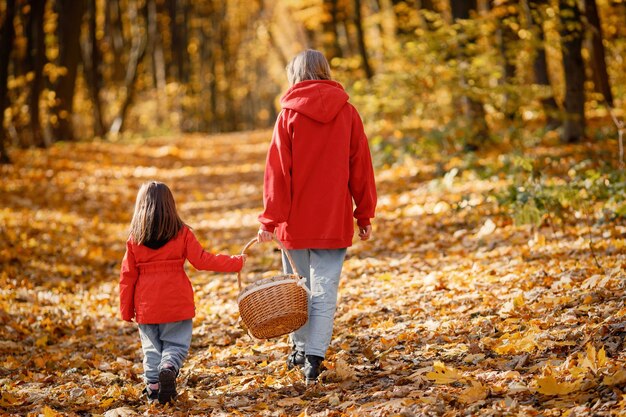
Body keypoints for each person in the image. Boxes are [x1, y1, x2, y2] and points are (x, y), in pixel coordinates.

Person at [257, 49, 377, 384]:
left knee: (299, 290)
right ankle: (313, 358)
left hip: (294, 223)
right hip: (332, 220)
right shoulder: (349, 113)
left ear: (295, 75)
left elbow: (277, 173)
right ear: (325, 71)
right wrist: (364, 213)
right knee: (325, 291)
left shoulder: (288, 117)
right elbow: (361, 168)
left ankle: (298, 349)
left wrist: (270, 219)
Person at [119, 181, 245, 404]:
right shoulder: (182, 233)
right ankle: (168, 367)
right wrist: (234, 263)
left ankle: (153, 389)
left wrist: (126, 309)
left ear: (141, 207)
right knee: (175, 345)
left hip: (147, 305)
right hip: (177, 301)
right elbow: (203, 260)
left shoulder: (134, 239)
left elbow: (127, 276)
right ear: (170, 206)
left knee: (151, 349)